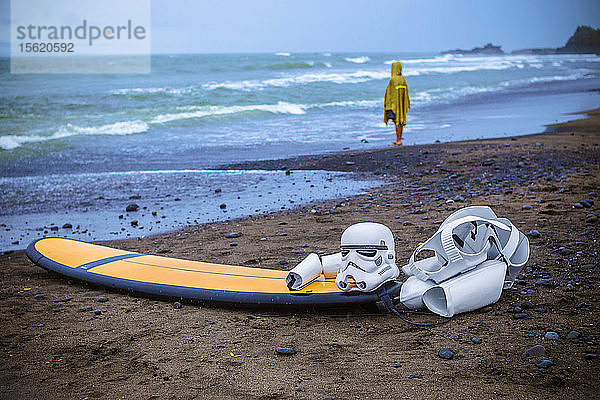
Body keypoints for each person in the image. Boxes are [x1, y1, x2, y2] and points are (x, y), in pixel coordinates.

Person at [383, 61, 410, 146]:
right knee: (399, 121)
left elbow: (390, 94)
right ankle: (398, 139)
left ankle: (398, 140)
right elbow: (405, 93)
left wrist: (388, 105)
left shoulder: (393, 79)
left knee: (396, 121)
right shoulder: (403, 79)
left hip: (393, 105)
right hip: (401, 104)